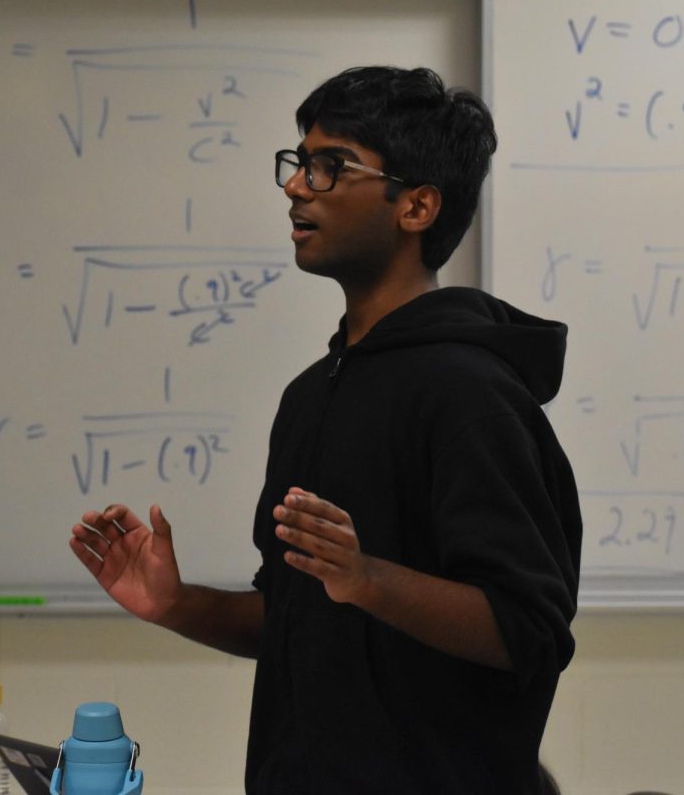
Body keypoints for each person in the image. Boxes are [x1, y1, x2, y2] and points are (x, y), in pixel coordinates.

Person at [70, 66, 582, 795]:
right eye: (299, 162)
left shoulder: (473, 394)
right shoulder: (312, 395)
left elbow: (530, 630)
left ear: (416, 206)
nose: (296, 186)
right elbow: (295, 617)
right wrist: (177, 603)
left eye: (329, 166)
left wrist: (369, 578)